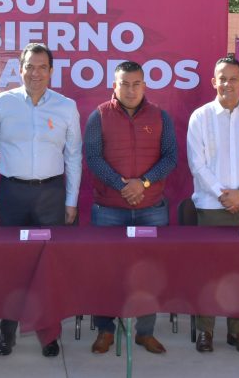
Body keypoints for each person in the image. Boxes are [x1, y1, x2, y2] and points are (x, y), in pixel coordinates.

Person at [0, 42, 81, 357]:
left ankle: (48, 336)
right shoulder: (1, 102)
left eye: (42, 67)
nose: (35, 73)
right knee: (12, 266)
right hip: (12, 193)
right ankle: (7, 334)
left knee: (49, 268)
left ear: (51, 71)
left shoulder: (65, 106)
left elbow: (73, 156)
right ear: (20, 68)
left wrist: (71, 199)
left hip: (51, 195)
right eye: (29, 66)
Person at [83, 60, 177, 355]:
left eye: (136, 83)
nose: (131, 89)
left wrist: (144, 183)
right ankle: (105, 331)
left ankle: (144, 333)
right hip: (109, 209)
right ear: (115, 85)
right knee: (104, 272)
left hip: (151, 208)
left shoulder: (161, 116)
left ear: (144, 85)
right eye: (124, 83)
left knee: (149, 273)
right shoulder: (98, 116)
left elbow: (170, 156)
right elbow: (94, 157)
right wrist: (124, 185)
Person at [187, 55, 239, 354]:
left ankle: (238, 332)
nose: (227, 84)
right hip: (211, 207)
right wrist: (224, 194)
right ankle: (205, 332)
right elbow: (197, 164)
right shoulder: (200, 117)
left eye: (233, 78)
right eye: (221, 78)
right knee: (209, 271)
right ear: (214, 82)